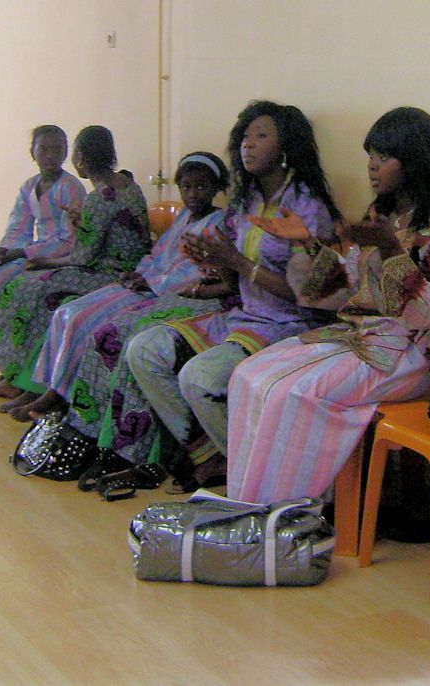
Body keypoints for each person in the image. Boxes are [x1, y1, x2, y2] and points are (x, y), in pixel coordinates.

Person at [225, 106, 430, 504]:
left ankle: (288, 513)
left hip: (416, 354)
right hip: (360, 336)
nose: (372, 168)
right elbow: (344, 290)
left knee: (292, 393)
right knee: (249, 375)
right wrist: (307, 242)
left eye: (383, 157)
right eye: (370, 157)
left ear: (414, 160)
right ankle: (246, 503)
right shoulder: (382, 213)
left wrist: (392, 249)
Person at [120, 100, 340, 494]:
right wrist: (213, 263)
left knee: (198, 378)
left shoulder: (307, 208)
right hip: (243, 315)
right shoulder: (248, 201)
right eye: (244, 137)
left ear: (286, 146)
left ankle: (263, 480)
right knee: (144, 349)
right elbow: (235, 281)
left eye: (260, 136)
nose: (247, 145)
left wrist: (236, 261)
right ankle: (211, 457)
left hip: (287, 326)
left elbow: (307, 296)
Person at [3, 152, 231, 421]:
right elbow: (157, 252)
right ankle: (49, 388)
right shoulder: (183, 217)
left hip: (166, 291)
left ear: (216, 188)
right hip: (142, 283)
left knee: (92, 322)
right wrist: (139, 273)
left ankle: (61, 398)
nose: (193, 194)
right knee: (71, 313)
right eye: (187, 187)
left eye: (202, 187)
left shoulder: (219, 224)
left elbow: (193, 271)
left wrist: (151, 281)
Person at [0, 125, 151, 411]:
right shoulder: (129, 186)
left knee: (26, 288)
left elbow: (83, 257)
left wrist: (44, 262)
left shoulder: (98, 197)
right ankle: (25, 381)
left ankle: (25, 382)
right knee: (31, 288)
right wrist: (82, 225)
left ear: (80, 157)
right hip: (121, 267)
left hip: (110, 274)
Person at [0, 125, 86, 332]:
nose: (50, 156)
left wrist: (21, 253)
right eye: (44, 149)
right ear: (32, 152)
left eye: (57, 149)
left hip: (59, 257)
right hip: (34, 250)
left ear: (65, 152)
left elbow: (68, 241)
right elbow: (18, 228)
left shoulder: (70, 187)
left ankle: (12, 338)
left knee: (9, 282)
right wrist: (3, 251)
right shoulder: (29, 186)